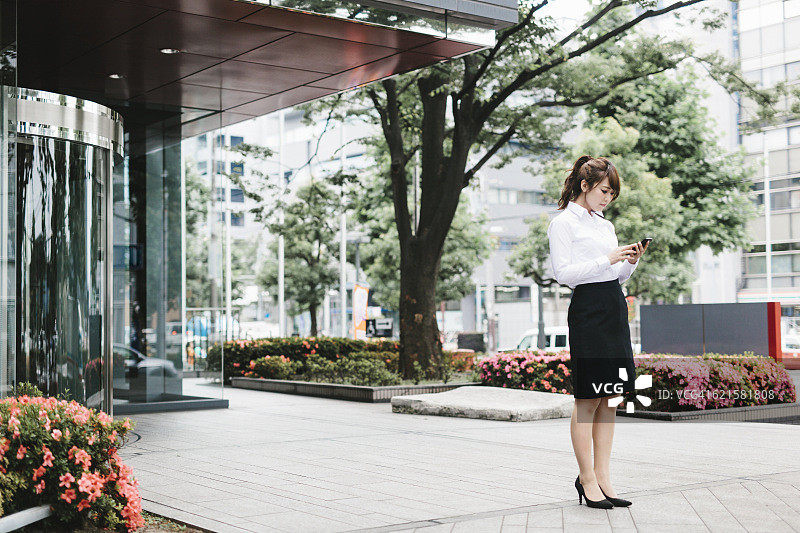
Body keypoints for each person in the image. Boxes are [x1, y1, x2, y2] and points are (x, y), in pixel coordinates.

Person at [547, 155, 648, 509]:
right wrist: (606, 259)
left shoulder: (605, 225)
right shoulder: (563, 224)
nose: (607, 198)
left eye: (612, 194)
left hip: (613, 306)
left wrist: (629, 263)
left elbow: (616, 276)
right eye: (604, 191)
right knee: (588, 397)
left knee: (611, 396)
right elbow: (564, 273)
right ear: (585, 185)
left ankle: (604, 477)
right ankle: (586, 477)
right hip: (588, 310)